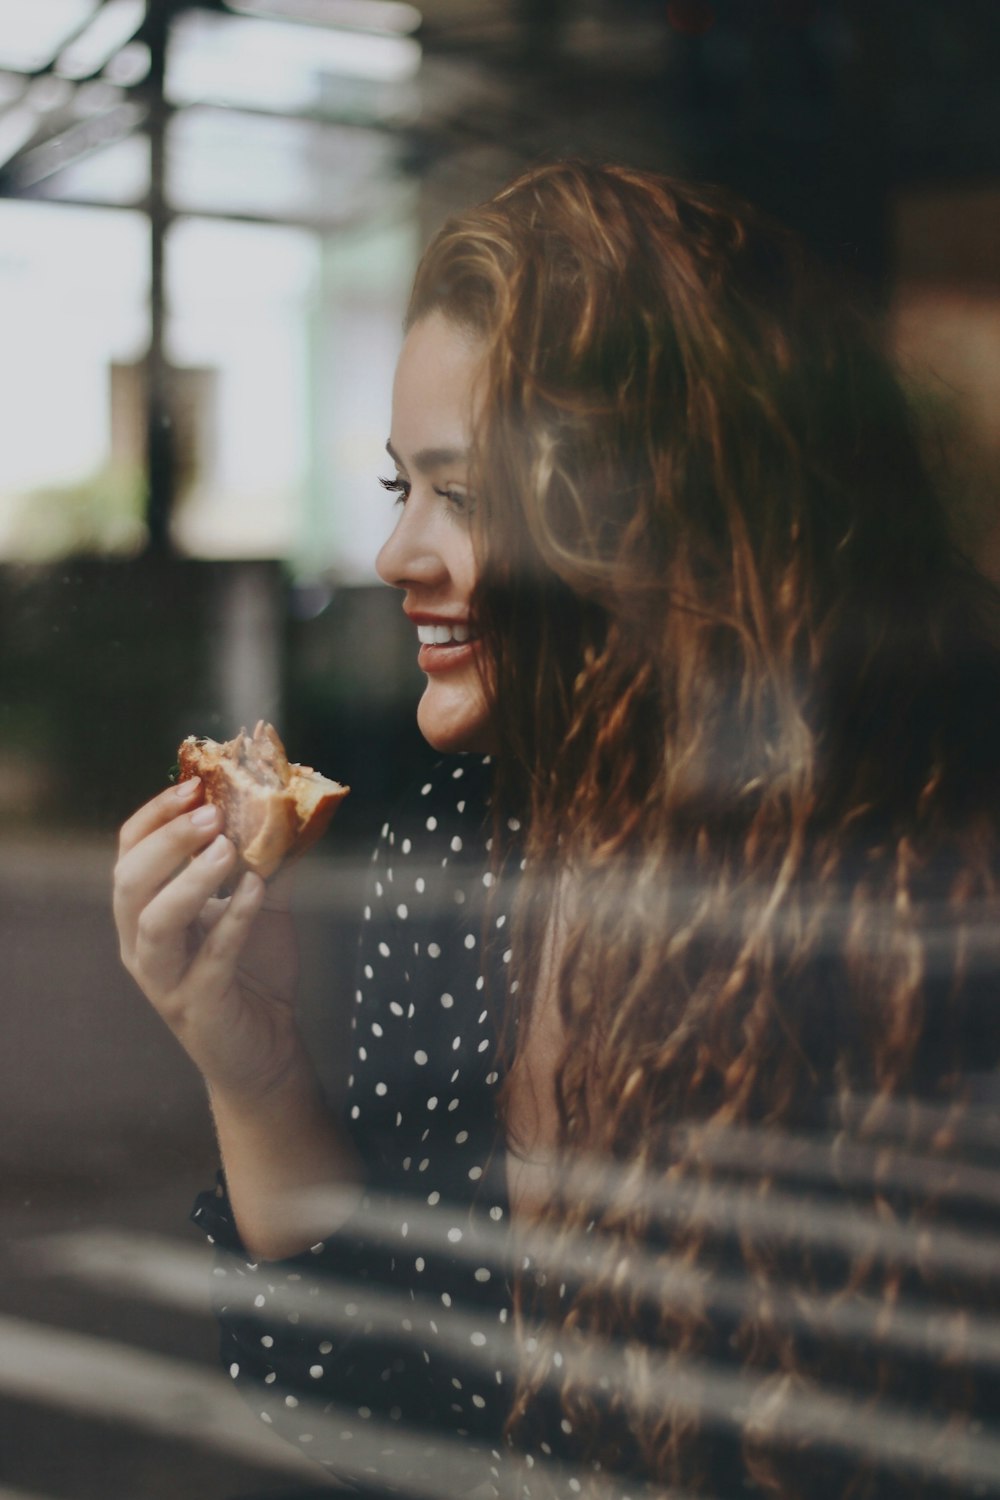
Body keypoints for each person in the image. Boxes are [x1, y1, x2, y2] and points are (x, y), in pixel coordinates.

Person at [113, 161, 1000, 1500]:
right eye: (398, 486)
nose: (400, 556)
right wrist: (251, 1064)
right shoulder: (452, 857)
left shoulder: (924, 883)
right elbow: (375, 1402)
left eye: (466, 496)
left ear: (660, 512)